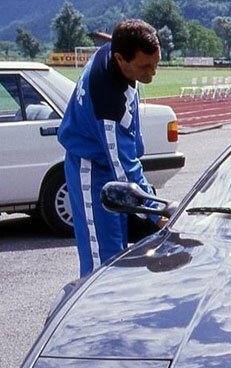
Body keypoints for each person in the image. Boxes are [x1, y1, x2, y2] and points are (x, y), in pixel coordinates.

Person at [58, 19, 163, 278]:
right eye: (145, 66)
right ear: (119, 59)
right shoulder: (108, 105)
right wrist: (157, 214)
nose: (152, 73)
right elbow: (124, 170)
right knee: (101, 261)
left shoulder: (113, 47)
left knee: (119, 251)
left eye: (156, 63)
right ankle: (94, 315)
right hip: (92, 171)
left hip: (111, 162)